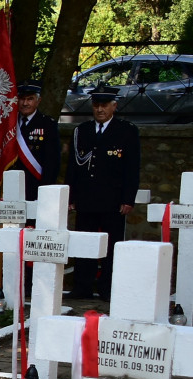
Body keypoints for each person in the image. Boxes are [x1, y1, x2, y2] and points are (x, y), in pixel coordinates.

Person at [65, 84, 140, 301]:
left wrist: (128, 198)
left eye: (104, 105)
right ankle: (82, 286)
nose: (100, 109)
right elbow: (73, 167)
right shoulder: (82, 130)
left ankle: (107, 288)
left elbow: (132, 168)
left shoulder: (126, 131)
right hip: (86, 198)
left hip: (112, 199)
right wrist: (71, 196)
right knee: (84, 244)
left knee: (111, 245)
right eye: (96, 105)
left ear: (114, 106)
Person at [10, 79, 61, 202]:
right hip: (11, 185)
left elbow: (52, 162)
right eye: (22, 99)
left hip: (35, 186)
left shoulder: (47, 124)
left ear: (38, 101)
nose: (25, 103)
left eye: (30, 99)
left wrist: (45, 189)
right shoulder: (9, 123)